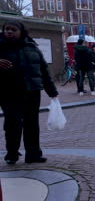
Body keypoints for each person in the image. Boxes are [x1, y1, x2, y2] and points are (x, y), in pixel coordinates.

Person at [0, 20, 58, 164]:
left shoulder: (32, 47)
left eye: (13, 29)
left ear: (21, 32)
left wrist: (52, 91)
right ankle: (12, 154)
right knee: (12, 124)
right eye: (7, 29)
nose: (9, 32)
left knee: (32, 123)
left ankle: (33, 154)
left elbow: (43, 70)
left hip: (31, 91)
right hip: (8, 92)